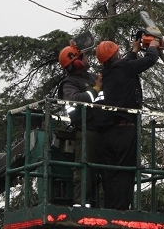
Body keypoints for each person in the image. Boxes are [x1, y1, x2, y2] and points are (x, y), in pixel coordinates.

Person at [95, 37, 160, 210]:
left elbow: (126, 64)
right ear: (115, 54)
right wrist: (153, 47)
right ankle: (121, 212)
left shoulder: (108, 73)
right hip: (124, 131)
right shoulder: (123, 68)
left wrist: (134, 50)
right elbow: (150, 60)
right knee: (125, 171)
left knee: (109, 174)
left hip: (108, 132)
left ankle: (110, 210)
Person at [57, 41, 104, 207]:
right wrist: (96, 89)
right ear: (76, 62)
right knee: (85, 172)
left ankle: (106, 208)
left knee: (109, 172)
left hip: (105, 130)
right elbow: (74, 100)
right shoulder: (69, 84)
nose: (87, 58)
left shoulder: (93, 77)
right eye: (83, 56)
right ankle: (81, 207)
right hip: (87, 131)